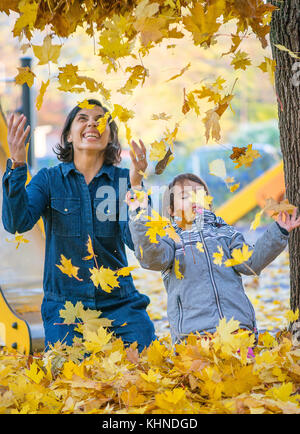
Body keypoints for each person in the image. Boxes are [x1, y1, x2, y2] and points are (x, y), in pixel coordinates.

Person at [2, 98, 156, 352]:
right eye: (83, 119)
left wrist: (137, 187)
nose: (92, 124)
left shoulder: (122, 181)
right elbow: (16, 223)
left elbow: (137, 243)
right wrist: (17, 164)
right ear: (69, 135)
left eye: (100, 120)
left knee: (148, 360)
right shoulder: (48, 180)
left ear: (110, 138)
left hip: (119, 303)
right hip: (66, 307)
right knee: (70, 375)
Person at [126, 172, 300, 345]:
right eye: (185, 196)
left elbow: (251, 262)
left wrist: (279, 231)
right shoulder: (170, 239)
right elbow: (151, 257)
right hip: (193, 338)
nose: (194, 199)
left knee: (242, 372)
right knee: (203, 373)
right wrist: (138, 212)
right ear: (171, 210)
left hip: (237, 331)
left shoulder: (225, 233)